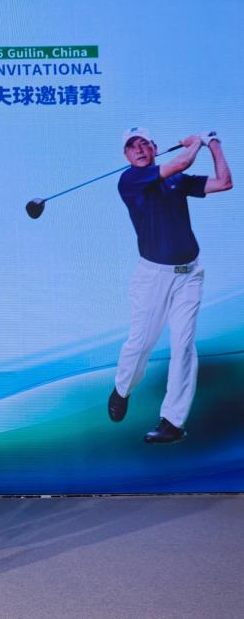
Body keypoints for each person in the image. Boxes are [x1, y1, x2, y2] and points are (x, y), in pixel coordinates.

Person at [108, 128, 232, 443]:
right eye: (132, 146)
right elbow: (180, 163)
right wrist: (197, 143)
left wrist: (213, 144)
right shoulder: (130, 180)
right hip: (153, 277)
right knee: (141, 343)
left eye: (144, 144)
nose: (139, 149)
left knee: (184, 344)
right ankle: (122, 389)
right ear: (126, 155)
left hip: (190, 275)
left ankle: (172, 423)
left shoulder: (176, 180)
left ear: (154, 148)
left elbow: (224, 182)